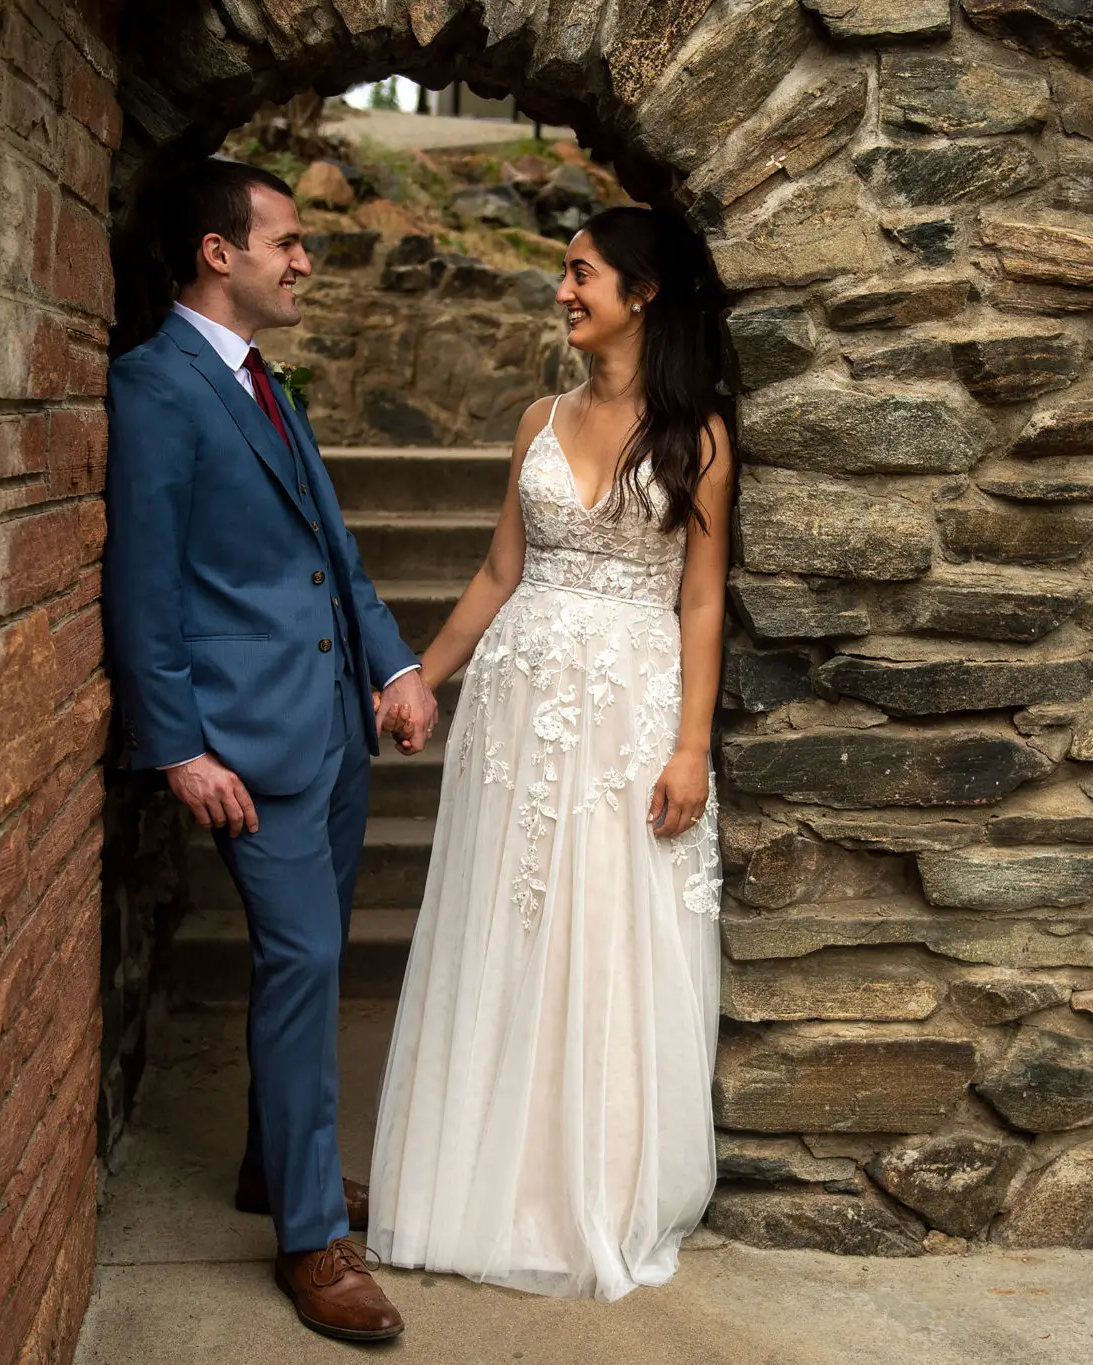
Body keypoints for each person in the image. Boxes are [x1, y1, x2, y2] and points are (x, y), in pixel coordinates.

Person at [367, 206, 735, 1301]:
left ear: (643, 292)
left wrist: (690, 750)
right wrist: (417, 678)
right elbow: (495, 572)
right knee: (507, 921)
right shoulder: (536, 416)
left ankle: (598, 1181)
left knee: (607, 927)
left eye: (581, 274)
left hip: (630, 711)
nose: (564, 290)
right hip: (517, 710)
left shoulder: (698, 436)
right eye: (564, 273)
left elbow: (704, 604)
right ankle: (482, 1176)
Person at [103, 157, 437, 1342]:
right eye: (287, 242)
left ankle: (267, 1167)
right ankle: (309, 1238)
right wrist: (179, 751)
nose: (304, 260)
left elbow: (330, 555)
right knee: (300, 967)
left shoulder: (267, 386)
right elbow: (142, 585)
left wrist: (392, 670)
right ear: (218, 252)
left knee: (311, 965)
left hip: (331, 732)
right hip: (243, 744)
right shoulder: (155, 386)